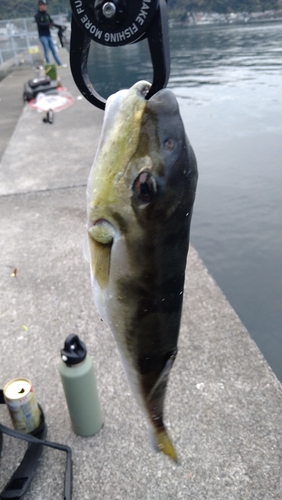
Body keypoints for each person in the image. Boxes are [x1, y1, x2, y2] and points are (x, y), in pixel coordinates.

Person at [34, 0, 67, 67]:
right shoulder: (37, 15)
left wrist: (60, 27)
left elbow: (52, 23)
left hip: (48, 35)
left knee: (53, 50)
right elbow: (40, 24)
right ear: (40, 6)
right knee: (46, 50)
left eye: (46, 5)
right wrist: (48, 24)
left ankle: (59, 64)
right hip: (42, 36)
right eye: (43, 5)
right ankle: (48, 65)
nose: (45, 6)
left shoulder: (47, 15)